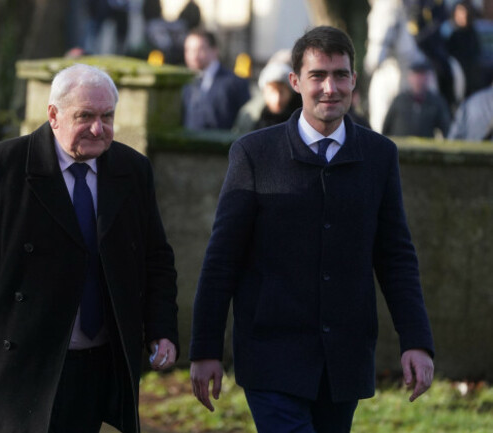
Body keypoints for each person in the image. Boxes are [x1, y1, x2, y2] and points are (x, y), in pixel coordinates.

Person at [190, 26, 435, 433]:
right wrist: (205, 349)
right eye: (318, 75)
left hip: (344, 360)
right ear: (295, 82)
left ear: (354, 81)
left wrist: (417, 340)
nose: (329, 88)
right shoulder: (253, 154)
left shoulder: (379, 156)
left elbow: (396, 257)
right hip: (270, 355)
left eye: (340, 75)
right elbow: (222, 260)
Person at [0, 64, 179, 433]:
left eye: (107, 116)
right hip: (18, 364)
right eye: (86, 116)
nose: (99, 128)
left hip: (94, 364)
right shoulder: (3, 166)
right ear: (53, 115)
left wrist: (161, 329)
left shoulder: (132, 169)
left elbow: (156, 259)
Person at [182, 29, 251, 130]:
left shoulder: (235, 83)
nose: (194, 56)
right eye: (189, 50)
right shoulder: (184, 82)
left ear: (214, 50)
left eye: (200, 49)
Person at [382, 58, 451, 138]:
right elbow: (386, 128)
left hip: (425, 149)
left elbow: (447, 130)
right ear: (409, 78)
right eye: (416, 76)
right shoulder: (399, 101)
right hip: (401, 149)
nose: (418, 80)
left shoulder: (436, 102)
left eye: (422, 76)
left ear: (427, 78)